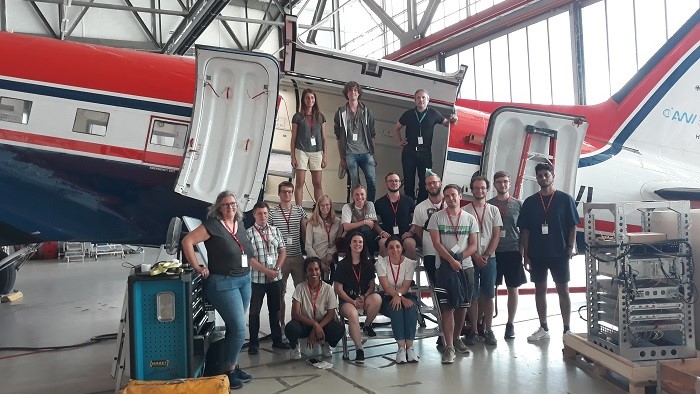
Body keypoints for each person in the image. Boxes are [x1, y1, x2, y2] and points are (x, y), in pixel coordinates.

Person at [181, 191, 254, 389]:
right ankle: (228, 372)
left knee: (234, 328)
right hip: (223, 283)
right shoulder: (212, 225)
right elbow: (187, 241)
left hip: (244, 280)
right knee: (239, 329)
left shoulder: (240, 224)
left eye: (233, 203)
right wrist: (197, 266)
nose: (230, 206)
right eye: (225, 204)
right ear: (219, 208)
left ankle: (233, 365)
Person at [517, 163, 580, 341]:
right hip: (537, 254)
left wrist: (569, 247)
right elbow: (525, 231)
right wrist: (526, 255)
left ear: (552, 176)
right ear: (536, 178)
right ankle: (543, 327)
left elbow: (572, 226)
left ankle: (567, 329)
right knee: (539, 290)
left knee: (563, 290)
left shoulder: (565, 199)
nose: (543, 178)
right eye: (540, 176)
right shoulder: (530, 202)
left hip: (559, 253)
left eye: (546, 175)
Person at [428, 184, 478, 364]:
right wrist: (451, 260)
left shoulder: (470, 218)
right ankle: (448, 346)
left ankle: (456, 339)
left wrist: (460, 257)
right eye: (447, 196)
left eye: (454, 195)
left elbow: (473, 245)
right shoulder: (436, 217)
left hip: (466, 267)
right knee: (447, 307)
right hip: (444, 268)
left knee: (463, 305)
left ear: (460, 196)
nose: (450, 199)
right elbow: (436, 243)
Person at [392, 89, 458, 201]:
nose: (421, 100)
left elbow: (447, 124)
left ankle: (420, 207)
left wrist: (454, 119)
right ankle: (410, 208)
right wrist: (400, 141)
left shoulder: (434, 113)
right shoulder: (408, 114)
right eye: (418, 97)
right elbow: (396, 128)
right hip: (409, 152)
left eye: (423, 97)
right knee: (409, 182)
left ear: (428, 100)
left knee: (426, 182)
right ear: (415, 100)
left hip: (425, 153)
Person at [245, 202, 291, 355]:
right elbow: (248, 259)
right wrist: (266, 271)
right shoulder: (248, 233)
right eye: (259, 214)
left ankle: (277, 340)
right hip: (257, 280)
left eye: (265, 213)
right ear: (254, 215)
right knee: (254, 312)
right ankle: (253, 343)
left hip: (275, 279)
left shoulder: (275, 231)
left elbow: (283, 251)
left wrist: (276, 269)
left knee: (275, 310)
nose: (263, 216)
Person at [488, 171, 527, 340]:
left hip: (513, 251)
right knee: (489, 289)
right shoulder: (489, 205)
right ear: (494, 185)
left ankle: (510, 324)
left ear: (509, 184)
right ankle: (486, 325)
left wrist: (523, 252)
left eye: (505, 182)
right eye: (499, 182)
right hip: (493, 253)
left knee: (513, 288)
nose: (502, 185)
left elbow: (524, 230)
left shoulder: (519, 204)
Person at [463, 176, 502, 347]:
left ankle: (488, 330)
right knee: (472, 295)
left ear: (487, 190)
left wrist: (486, 254)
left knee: (488, 294)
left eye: (483, 188)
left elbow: (496, 235)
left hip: (489, 259)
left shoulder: (494, 210)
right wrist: (475, 256)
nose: (479, 191)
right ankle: (474, 330)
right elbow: (463, 237)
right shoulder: (464, 211)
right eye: (476, 188)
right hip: (471, 259)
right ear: (471, 190)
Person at [333, 232, 382, 363]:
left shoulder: (368, 264)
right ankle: (359, 349)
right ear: (349, 244)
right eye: (355, 241)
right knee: (353, 314)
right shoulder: (342, 265)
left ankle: (367, 325)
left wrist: (365, 296)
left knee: (377, 299)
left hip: (364, 298)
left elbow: (372, 285)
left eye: (360, 242)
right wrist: (353, 301)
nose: (357, 244)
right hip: (347, 301)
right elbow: (338, 289)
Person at [268, 181, 308, 338]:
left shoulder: (299, 211)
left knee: (301, 291)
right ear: (279, 194)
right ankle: (281, 325)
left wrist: (308, 252)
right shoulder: (272, 213)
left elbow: (305, 232)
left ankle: (300, 323)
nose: (287, 194)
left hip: (297, 256)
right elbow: (269, 236)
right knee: (280, 293)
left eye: (290, 192)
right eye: (284, 191)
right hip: (281, 259)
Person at [286, 257, 346, 359]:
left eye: (316, 269)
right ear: (305, 272)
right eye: (310, 270)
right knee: (290, 328)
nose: (314, 272)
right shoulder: (300, 288)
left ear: (320, 271)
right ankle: (295, 346)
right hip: (305, 323)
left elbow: (331, 314)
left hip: (322, 324)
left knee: (338, 330)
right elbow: (295, 314)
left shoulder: (328, 288)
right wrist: (314, 324)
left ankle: (325, 342)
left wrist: (318, 327)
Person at [376, 236, 419, 364]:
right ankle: (401, 348)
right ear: (387, 249)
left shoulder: (409, 263)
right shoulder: (381, 263)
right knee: (397, 308)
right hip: (387, 297)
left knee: (410, 308)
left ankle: (410, 348)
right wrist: (398, 297)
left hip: (405, 294)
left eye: (398, 246)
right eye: (391, 247)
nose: (395, 250)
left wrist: (400, 297)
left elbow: (406, 286)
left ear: (402, 248)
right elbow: (386, 286)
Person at [334, 81, 378, 201]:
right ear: (346, 93)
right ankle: (357, 209)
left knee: (372, 182)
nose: (353, 93)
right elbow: (338, 137)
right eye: (350, 90)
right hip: (350, 153)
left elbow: (372, 133)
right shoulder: (340, 112)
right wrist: (342, 158)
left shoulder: (366, 111)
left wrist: (372, 154)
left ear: (358, 93)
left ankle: (370, 208)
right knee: (355, 183)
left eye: (355, 90)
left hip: (366, 152)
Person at [291, 88, 327, 206]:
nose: (310, 100)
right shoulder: (298, 116)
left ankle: (321, 210)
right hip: (301, 151)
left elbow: (324, 138)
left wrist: (324, 157)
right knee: (300, 183)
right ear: (303, 100)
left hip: (317, 152)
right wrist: (293, 156)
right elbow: (293, 137)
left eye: (312, 97)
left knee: (317, 183)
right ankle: (299, 210)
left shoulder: (320, 117)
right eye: (307, 97)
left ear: (315, 100)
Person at [410, 172, 444, 285]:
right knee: (436, 286)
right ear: (425, 187)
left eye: (434, 182)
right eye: (429, 184)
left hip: (450, 251)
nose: (432, 185)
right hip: (430, 252)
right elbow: (418, 231)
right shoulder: (420, 207)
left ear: (440, 183)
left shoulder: (450, 203)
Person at [375, 173, 417, 258]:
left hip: (404, 235)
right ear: (386, 183)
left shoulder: (409, 200)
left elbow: (416, 220)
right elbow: (375, 222)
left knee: (410, 243)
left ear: (400, 183)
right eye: (390, 181)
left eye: (396, 181)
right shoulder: (379, 202)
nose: (394, 183)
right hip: (387, 235)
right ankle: (385, 270)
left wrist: (410, 232)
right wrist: (381, 232)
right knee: (383, 243)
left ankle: (409, 270)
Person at [305, 194, 342, 282]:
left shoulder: (338, 222)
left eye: (327, 205)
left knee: (327, 290)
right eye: (322, 205)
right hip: (314, 261)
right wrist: (319, 263)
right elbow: (308, 246)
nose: (325, 207)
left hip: (330, 261)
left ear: (330, 206)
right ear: (318, 207)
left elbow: (339, 242)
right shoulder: (311, 222)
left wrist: (331, 252)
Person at [341, 184, 382, 255]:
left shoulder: (369, 204)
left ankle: (369, 258)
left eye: (362, 194)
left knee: (365, 230)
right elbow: (346, 227)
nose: (359, 197)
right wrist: (364, 222)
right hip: (353, 234)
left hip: (367, 235)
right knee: (358, 233)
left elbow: (371, 224)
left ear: (366, 196)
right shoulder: (347, 207)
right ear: (352, 197)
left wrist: (354, 225)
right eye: (356, 194)